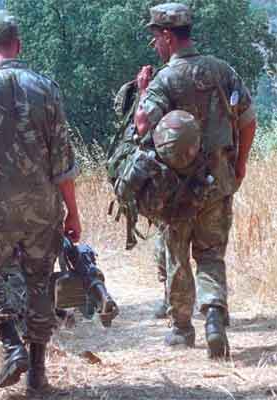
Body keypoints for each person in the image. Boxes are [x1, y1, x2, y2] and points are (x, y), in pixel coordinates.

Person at [0, 10, 81, 394]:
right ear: (19, 44)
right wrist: (72, 212)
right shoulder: (47, 89)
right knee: (42, 281)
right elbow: (64, 161)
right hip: (43, 209)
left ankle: (10, 344)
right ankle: (38, 373)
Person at [134, 3, 256, 358]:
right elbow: (248, 120)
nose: (155, 44)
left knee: (177, 254)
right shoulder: (222, 70)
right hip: (218, 181)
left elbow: (142, 125)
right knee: (211, 253)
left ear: (169, 36)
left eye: (156, 37)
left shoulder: (165, 79)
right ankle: (215, 315)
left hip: (177, 188)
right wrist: (240, 165)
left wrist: (143, 90)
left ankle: (182, 327)